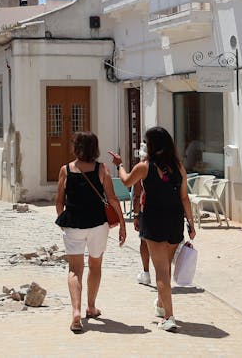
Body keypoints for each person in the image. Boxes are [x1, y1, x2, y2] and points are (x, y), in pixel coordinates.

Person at [109, 127, 196, 332]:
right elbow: (184, 197)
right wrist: (191, 224)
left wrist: (119, 164)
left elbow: (126, 180)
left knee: (161, 272)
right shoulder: (178, 167)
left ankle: (169, 317)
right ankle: (160, 304)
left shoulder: (145, 166)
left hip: (154, 220)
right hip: (174, 221)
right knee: (166, 267)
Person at [55, 131, 127, 333]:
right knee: (95, 265)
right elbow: (112, 198)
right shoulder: (102, 169)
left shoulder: (65, 170)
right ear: (95, 148)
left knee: (74, 269)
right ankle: (91, 307)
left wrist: (63, 222)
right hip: (98, 225)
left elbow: (59, 201)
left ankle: (76, 312)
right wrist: (122, 224)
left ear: (75, 147)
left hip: (73, 225)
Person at [131, 142, 151, 286]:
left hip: (147, 209)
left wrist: (136, 215)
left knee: (144, 241)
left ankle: (146, 272)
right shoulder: (167, 167)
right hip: (166, 210)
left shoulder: (142, 168)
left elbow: (137, 194)